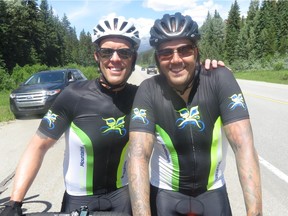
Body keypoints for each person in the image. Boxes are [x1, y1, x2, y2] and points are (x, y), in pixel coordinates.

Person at [0, 16, 222, 216]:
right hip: (78, 202)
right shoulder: (73, 95)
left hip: (124, 201)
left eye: (124, 52)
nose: (115, 59)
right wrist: (15, 202)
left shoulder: (142, 97)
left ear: (133, 58)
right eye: (107, 52)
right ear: (97, 56)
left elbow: (182, 85)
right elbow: (37, 146)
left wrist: (208, 73)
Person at [128, 12, 262, 216]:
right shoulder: (148, 90)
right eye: (166, 53)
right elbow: (138, 155)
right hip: (165, 195)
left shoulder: (219, 78)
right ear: (157, 58)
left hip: (213, 193)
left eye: (184, 50)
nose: (176, 59)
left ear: (196, 52)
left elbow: (243, 145)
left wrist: (256, 213)